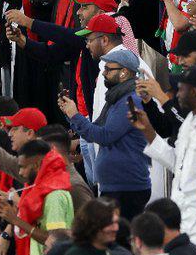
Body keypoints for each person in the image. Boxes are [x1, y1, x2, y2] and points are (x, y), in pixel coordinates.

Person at [134, 67, 196, 251]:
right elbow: (178, 165)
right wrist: (148, 131)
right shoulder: (190, 120)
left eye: (181, 89)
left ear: (194, 91)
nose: (176, 95)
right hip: (182, 223)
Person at [60, 48, 151, 218]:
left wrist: (75, 115)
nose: (104, 73)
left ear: (124, 72)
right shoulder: (116, 99)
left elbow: (105, 136)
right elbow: (94, 131)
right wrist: (72, 116)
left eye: (109, 69)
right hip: (117, 186)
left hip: (126, 188)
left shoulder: (129, 100)